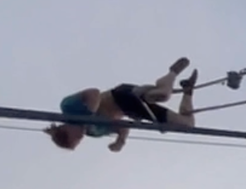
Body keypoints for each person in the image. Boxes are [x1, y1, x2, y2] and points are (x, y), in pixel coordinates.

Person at [48, 59, 199, 153]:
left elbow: (93, 93)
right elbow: (123, 127)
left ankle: (171, 73)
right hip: (132, 110)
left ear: (65, 128)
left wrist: (90, 114)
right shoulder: (93, 131)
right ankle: (187, 89)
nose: (81, 137)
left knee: (163, 95)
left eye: (75, 137)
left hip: (120, 96)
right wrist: (120, 141)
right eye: (79, 141)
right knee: (187, 124)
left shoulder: (68, 108)